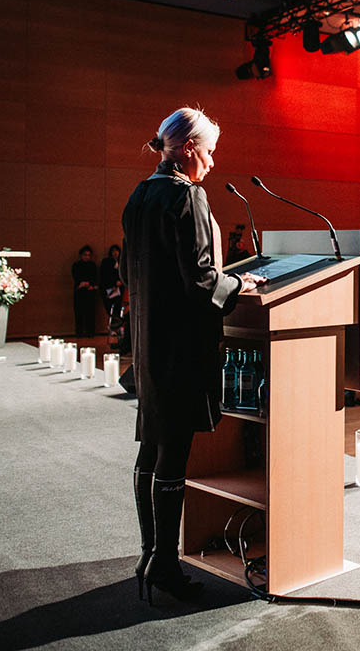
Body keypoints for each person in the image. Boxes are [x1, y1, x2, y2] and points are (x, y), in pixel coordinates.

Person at [120, 107, 264, 604]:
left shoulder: (141, 194)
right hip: (181, 347)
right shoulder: (188, 196)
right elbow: (203, 282)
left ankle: (148, 553)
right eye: (209, 150)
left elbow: (130, 269)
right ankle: (164, 566)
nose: (212, 161)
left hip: (149, 341)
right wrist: (240, 282)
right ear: (186, 149)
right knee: (174, 453)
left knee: (151, 448)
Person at [72, 245, 98, 337]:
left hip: (90, 291)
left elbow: (95, 277)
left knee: (90, 314)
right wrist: (82, 283)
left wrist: (89, 284)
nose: (87, 257)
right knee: (79, 313)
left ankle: (90, 333)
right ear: (81, 255)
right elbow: (75, 276)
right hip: (79, 291)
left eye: (88, 255)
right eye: (85, 255)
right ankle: (79, 333)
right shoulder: (76, 265)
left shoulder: (93, 265)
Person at [99, 244, 125, 335]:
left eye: (117, 251)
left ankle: (117, 328)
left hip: (119, 290)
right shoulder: (106, 262)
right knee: (110, 309)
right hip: (108, 289)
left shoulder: (122, 262)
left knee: (117, 309)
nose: (115, 253)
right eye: (113, 251)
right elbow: (104, 275)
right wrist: (113, 283)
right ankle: (113, 328)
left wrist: (120, 282)